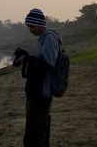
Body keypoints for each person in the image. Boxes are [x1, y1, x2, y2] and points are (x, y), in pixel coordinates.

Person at [15, 8, 62, 147]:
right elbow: (41, 61)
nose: (30, 30)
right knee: (38, 128)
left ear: (39, 23)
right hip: (37, 91)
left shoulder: (48, 38)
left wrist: (28, 59)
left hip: (41, 92)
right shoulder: (43, 38)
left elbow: (48, 64)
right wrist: (27, 57)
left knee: (34, 131)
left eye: (31, 26)